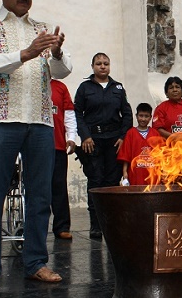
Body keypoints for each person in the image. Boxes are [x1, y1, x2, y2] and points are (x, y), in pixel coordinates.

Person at [0, 0, 72, 290]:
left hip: (40, 121)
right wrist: (26, 53)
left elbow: (62, 70)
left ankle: (36, 262)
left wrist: (55, 52)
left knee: (40, 196)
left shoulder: (41, 28)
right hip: (1, 121)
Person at [74, 52, 133, 239]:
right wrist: (85, 136)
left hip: (114, 140)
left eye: (106, 63)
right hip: (93, 141)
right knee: (96, 181)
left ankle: (110, 223)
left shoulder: (118, 88)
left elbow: (127, 114)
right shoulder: (84, 88)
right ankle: (96, 225)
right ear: (92, 66)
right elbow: (78, 114)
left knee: (111, 183)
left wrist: (123, 136)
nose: (102, 66)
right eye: (98, 63)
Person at [50, 79, 77, 240]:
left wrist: (71, 137)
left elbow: (69, 115)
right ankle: (30, 227)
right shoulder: (29, 83)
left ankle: (62, 226)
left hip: (57, 146)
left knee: (59, 187)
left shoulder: (60, 87)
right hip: (33, 147)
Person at [117, 103, 160, 186]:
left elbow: (160, 156)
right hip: (135, 173)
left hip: (152, 173)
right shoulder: (130, 133)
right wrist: (125, 172)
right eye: (141, 116)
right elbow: (126, 156)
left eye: (146, 116)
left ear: (150, 117)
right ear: (136, 116)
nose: (143, 119)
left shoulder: (155, 133)